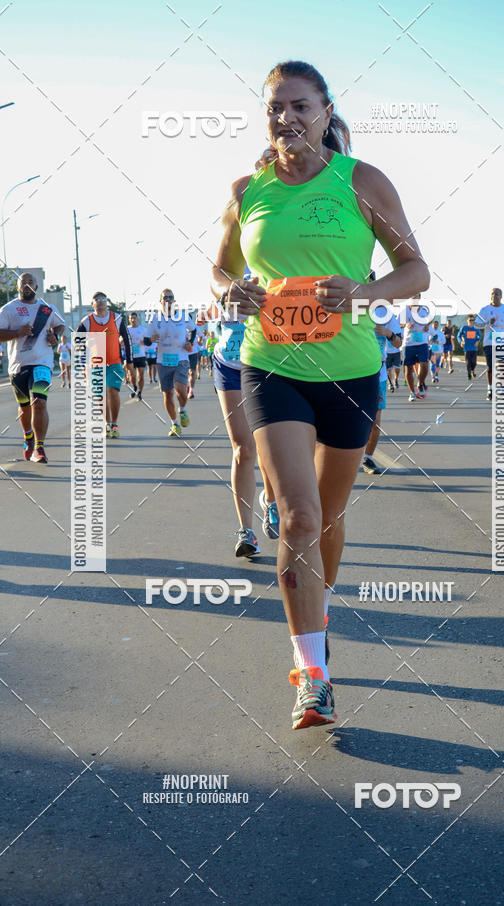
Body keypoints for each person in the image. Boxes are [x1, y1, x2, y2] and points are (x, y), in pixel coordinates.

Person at [211, 60, 429, 730]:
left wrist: (363, 291)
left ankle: (317, 613)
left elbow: (415, 270)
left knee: (328, 521)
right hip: (271, 366)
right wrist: (232, 294)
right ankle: (312, 675)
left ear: (327, 112)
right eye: (275, 108)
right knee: (300, 518)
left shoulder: (362, 182)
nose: (287, 119)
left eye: (300, 107)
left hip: (351, 371)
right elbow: (221, 268)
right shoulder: (248, 189)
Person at [204, 303, 280, 556]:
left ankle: (270, 502)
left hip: (266, 363)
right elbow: (208, 310)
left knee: (267, 445)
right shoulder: (224, 271)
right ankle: (246, 531)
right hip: (229, 366)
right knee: (243, 449)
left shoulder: (272, 266)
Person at [0, 272, 65, 462]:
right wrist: (17, 333)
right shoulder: (8, 309)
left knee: (40, 402)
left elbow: (60, 326)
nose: (27, 285)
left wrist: (55, 334)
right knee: (25, 407)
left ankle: (40, 447)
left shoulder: (47, 309)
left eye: (31, 282)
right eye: (23, 282)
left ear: (36, 287)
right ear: (18, 287)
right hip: (18, 366)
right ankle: (28, 435)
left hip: (42, 363)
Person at [76, 292, 132, 438]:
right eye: (97, 299)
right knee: (100, 396)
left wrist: (129, 360)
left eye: (103, 299)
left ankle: (114, 424)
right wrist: (83, 363)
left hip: (114, 362)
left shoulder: (116, 318)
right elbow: (78, 343)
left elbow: (127, 339)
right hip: (95, 365)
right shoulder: (86, 322)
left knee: (113, 391)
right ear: (92, 303)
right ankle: (107, 423)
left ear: (106, 302)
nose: (101, 301)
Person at [145, 289, 195, 436]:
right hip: (163, 360)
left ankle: (183, 410)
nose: (168, 300)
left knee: (180, 388)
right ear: (160, 301)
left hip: (181, 359)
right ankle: (175, 424)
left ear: (174, 301)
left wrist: (190, 342)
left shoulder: (183, 316)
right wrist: (150, 340)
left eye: (170, 297)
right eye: (165, 297)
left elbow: (193, 330)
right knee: (167, 394)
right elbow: (147, 340)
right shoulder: (154, 319)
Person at [363, 311, 402, 474]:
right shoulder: (355, 309)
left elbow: (398, 343)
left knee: (375, 421)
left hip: (378, 373)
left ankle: (368, 459)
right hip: (351, 372)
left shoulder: (387, 315)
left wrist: (387, 333)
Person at [475, 288, 504, 400]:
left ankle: (502, 389)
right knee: (491, 367)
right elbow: (477, 325)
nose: (494, 296)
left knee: (502, 366)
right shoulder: (485, 309)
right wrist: (487, 323)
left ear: (501, 296)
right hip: (489, 342)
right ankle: (490, 388)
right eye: (492, 293)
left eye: (496, 294)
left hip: (502, 340)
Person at [401, 297, 431, 401]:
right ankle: (412, 392)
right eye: (413, 297)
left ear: (419, 298)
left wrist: (427, 326)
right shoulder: (405, 311)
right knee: (408, 369)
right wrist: (406, 324)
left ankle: (419, 383)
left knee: (424, 365)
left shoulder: (424, 310)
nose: (415, 299)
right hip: (408, 343)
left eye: (416, 297)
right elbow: (399, 323)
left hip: (422, 342)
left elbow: (429, 321)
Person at [127, 312, 147, 401]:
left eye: (134, 318)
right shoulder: (127, 329)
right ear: (129, 319)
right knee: (132, 375)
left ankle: (140, 392)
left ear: (137, 319)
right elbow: (120, 340)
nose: (133, 320)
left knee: (141, 375)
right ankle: (134, 386)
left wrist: (145, 342)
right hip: (130, 355)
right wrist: (122, 340)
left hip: (141, 355)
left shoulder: (143, 329)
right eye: (131, 318)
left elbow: (148, 341)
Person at [458, 315, 482, 380]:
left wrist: (478, 341)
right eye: (470, 320)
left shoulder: (476, 328)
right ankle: (469, 374)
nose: (471, 321)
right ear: (467, 320)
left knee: (474, 362)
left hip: (474, 348)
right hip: (466, 348)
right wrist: (461, 342)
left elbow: (480, 335)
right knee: (468, 363)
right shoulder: (464, 328)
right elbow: (458, 336)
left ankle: (473, 370)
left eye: (473, 320)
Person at [428, 318, 445, 384]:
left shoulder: (440, 333)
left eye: (436, 325)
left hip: (439, 351)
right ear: (432, 325)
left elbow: (444, 341)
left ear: (438, 326)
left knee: (437, 365)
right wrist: (431, 341)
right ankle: (433, 377)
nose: (435, 326)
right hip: (432, 351)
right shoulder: (429, 332)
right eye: (434, 325)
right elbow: (427, 341)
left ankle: (436, 375)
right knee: (432, 364)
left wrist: (439, 342)